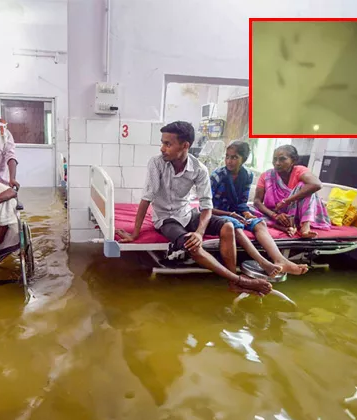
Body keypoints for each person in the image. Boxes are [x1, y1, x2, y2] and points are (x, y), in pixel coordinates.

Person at [115, 121, 272, 296]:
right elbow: (146, 199)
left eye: (168, 144)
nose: (162, 148)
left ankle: (232, 283)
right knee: (192, 245)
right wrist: (135, 233)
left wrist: (199, 232)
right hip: (165, 218)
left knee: (228, 226)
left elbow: (206, 206)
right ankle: (238, 280)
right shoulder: (156, 164)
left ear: (185, 145)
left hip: (188, 213)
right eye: (162, 143)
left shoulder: (199, 169)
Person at [210, 141, 308, 275]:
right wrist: (232, 214)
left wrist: (246, 213)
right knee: (235, 226)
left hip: (237, 212)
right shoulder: (217, 175)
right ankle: (264, 263)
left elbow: (242, 202)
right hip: (217, 213)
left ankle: (280, 260)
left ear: (243, 159)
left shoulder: (247, 175)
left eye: (234, 157)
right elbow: (206, 206)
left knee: (260, 223)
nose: (229, 161)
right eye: (227, 156)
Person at [253, 144, 330, 238]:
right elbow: (257, 201)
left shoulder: (299, 170)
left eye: (282, 159)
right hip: (275, 213)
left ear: (293, 161)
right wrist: (275, 215)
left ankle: (305, 227)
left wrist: (287, 201)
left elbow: (316, 184)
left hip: (298, 214)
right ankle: (285, 227)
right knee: (248, 210)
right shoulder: (266, 176)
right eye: (275, 159)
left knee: (306, 187)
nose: (277, 163)